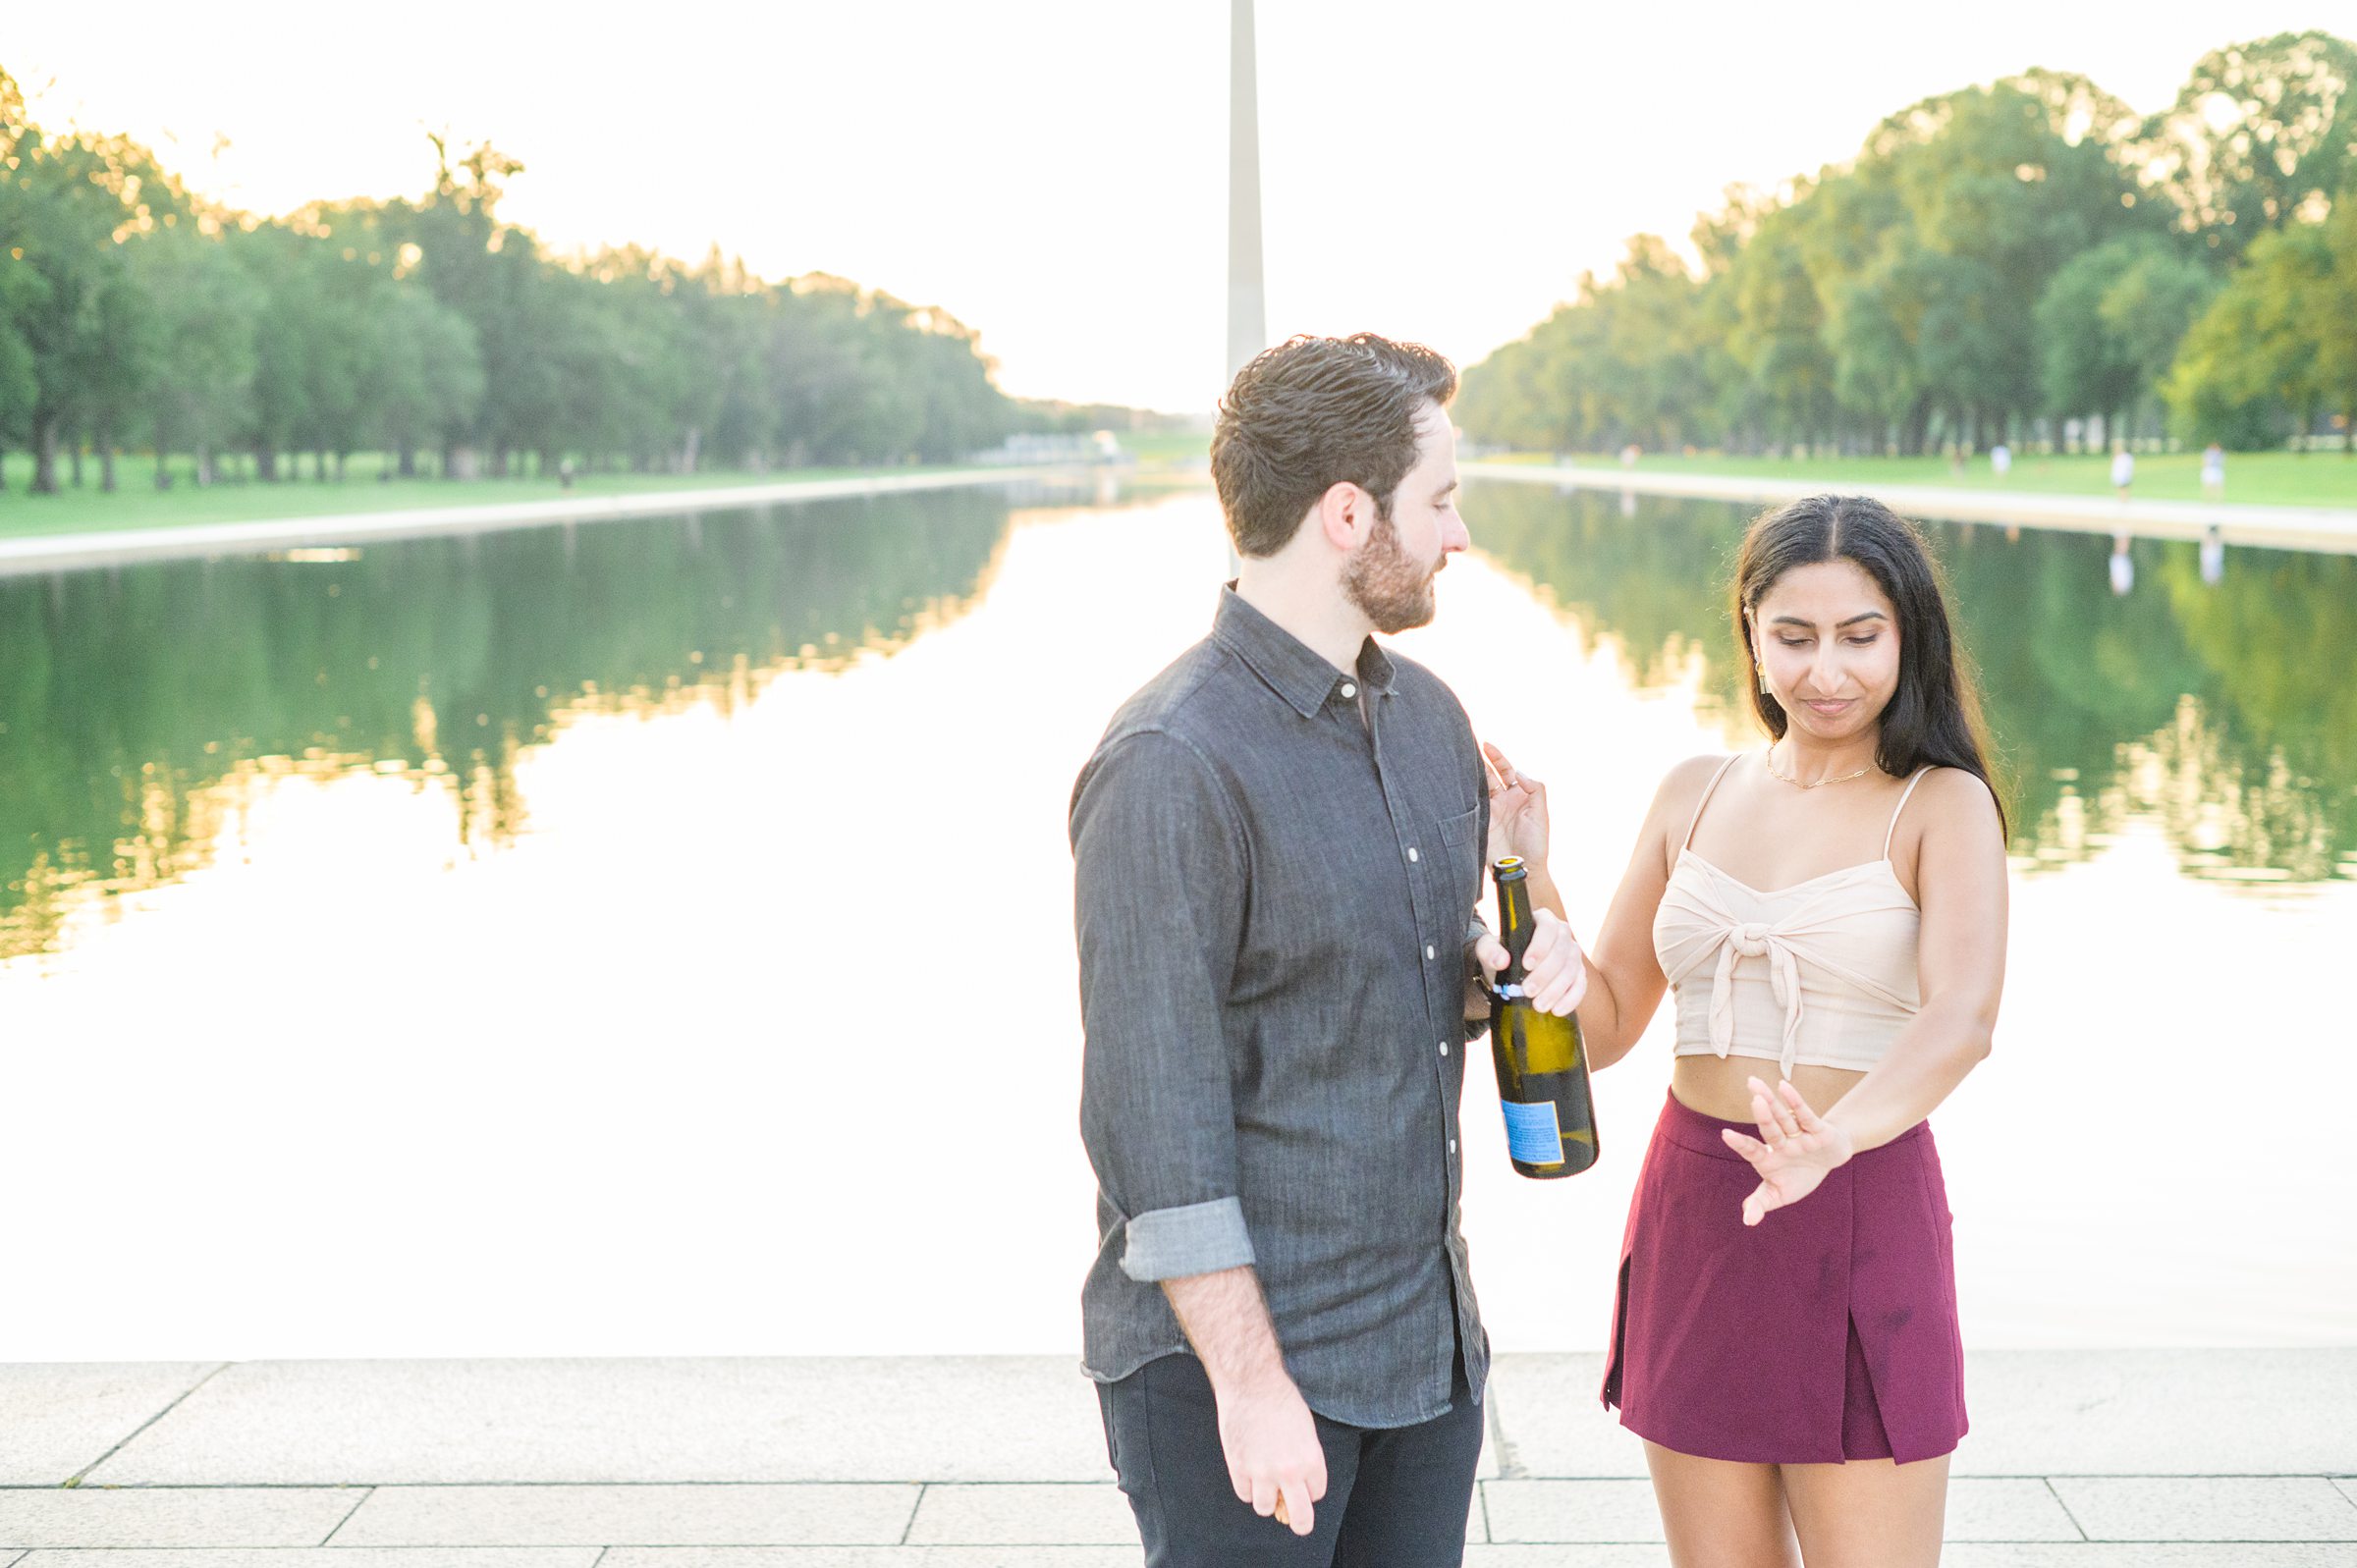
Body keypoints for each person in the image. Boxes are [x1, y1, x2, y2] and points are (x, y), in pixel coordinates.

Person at [1070, 333, 1584, 1567]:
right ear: (1349, 513)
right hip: (1238, 1376)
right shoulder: (1169, 763)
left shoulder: (1432, 721)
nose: (1460, 534)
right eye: (1442, 500)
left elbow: (1402, 987)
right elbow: (1156, 1126)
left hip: (1427, 1351)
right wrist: (1251, 1387)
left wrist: (1516, 959)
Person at [1484, 494, 2008, 1568]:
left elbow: (1963, 1016)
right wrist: (1535, 875)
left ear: (1909, 636)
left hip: (1857, 1198)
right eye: (1795, 636)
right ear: (1751, 635)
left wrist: (1835, 1138)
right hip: (1699, 1204)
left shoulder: (1941, 803)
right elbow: (1614, 1019)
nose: (1827, 671)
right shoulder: (1694, 791)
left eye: (1861, 637)